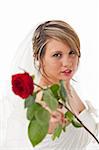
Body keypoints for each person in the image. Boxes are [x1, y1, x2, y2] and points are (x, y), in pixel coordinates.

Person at [1, 20, 99, 150]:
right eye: (57, 55)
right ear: (39, 58)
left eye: (72, 53)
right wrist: (47, 122)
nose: (67, 63)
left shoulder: (65, 85)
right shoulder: (44, 103)